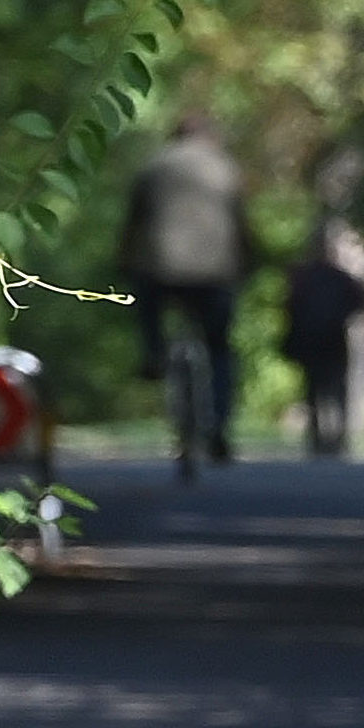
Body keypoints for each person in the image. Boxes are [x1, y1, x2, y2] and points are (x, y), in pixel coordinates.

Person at [117, 111, 247, 467]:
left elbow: (133, 220)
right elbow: (242, 224)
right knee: (219, 349)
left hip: (160, 270)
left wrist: (123, 260)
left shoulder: (155, 166)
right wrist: (247, 263)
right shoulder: (225, 167)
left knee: (147, 305)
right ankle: (218, 425)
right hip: (215, 274)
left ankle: (153, 353)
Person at [277, 210, 364, 459]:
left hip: (312, 337)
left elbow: (289, 305)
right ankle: (336, 436)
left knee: (315, 387)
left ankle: (320, 436)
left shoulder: (302, 276)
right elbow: (359, 304)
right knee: (335, 386)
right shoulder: (339, 278)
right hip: (332, 336)